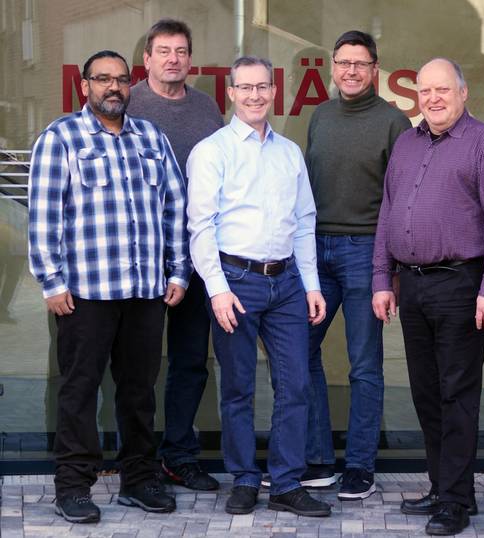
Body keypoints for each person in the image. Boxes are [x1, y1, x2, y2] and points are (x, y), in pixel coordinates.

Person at [28, 50, 190, 523]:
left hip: (145, 292)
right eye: (102, 79)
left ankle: (138, 479)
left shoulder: (151, 138)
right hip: (85, 294)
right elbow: (43, 216)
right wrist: (51, 281)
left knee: (139, 392)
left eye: (120, 79)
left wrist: (178, 271)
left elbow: (175, 207)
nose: (113, 87)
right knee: (79, 391)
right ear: (85, 86)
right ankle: (73, 487)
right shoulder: (61, 138)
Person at [372, 58, 484, 535]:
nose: (433, 99)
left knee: (456, 393)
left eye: (443, 90)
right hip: (413, 286)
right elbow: (388, 211)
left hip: (461, 284)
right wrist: (382, 277)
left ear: (463, 92)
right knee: (427, 392)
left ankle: (454, 501)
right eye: (425, 91)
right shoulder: (407, 144)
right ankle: (445, 488)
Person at [187, 56, 331, 517]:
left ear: (273, 91)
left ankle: (286, 483)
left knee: (296, 385)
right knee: (238, 388)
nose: (255, 95)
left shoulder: (289, 153)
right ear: (231, 93)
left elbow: (304, 222)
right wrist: (216, 289)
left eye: (263, 87)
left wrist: (311, 285)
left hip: (286, 283)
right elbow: (200, 226)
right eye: (245, 87)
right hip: (236, 282)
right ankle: (245, 479)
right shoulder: (212, 151)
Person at [301, 30, 411, 499]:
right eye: (343, 62)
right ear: (333, 67)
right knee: (299, 352)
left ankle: (360, 465)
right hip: (316, 251)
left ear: (374, 70)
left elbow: (401, 201)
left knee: (364, 364)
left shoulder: (394, 122)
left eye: (360, 63)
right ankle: (318, 459)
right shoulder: (321, 116)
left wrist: (391, 269)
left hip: (367, 252)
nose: (350, 71)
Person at [127, 18, 223, 492]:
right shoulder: (127, 105)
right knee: (137, 367)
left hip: (196, 257)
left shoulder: (207, 108)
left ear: (190, 59)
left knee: (189, 362)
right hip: (140, 259)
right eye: (163, 51)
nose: (173, 59)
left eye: (181, 51)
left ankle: (178, 456)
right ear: (146, 59)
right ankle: (137, 462)